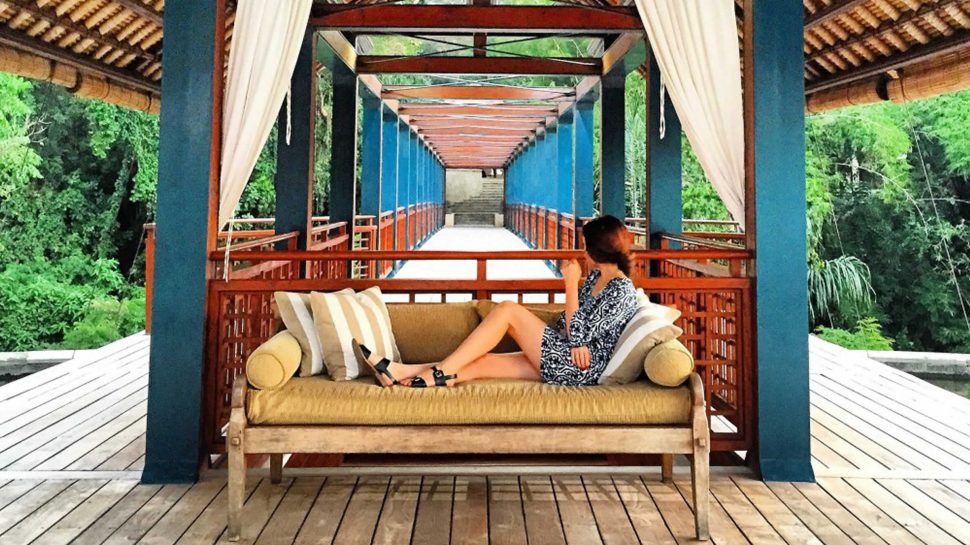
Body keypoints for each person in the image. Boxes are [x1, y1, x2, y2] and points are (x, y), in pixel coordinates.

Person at [355, 215, 638, 388]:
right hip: (566, 354)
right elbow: (569, 325)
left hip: (582, 369)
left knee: (507, 310)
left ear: (597, 250)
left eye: (586, 246)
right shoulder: (595, 278)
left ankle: (440, 371)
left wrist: (569, 284)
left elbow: (578, 333)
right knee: (481, 363)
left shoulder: (621, 290)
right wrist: (576, 338)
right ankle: (398, 372)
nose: (582, 251)